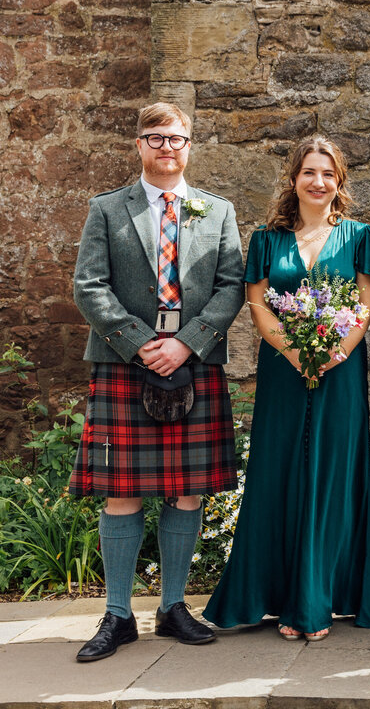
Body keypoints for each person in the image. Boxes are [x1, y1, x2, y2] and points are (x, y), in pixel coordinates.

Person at [69, 102, 245, 661]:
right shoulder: (106, 209)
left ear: (190, 145)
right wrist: (142, 344)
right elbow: (89, 286)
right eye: (156, 137)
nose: (167, 147)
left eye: (177, 138)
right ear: (139, 144)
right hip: (124, 361)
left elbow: (232, 285)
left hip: (193, 359)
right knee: (120, 491)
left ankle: (173, 607)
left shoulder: (217, 210)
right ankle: (117, 615)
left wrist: (187, 342)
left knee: (186, 489)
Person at [203, 136, 370, 640]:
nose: (318, 182)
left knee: (334, 473)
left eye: (328, 174)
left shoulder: (360, 237)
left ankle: (321, 601)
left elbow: (366, 306)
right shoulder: (267, 240)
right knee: (279, 470)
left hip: (341, 371)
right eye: (309, 172)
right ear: (294, 180)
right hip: (283, 372)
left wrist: (334, 353)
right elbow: (259, 305)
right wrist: (294, 352)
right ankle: (277, 596)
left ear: (340, 182)